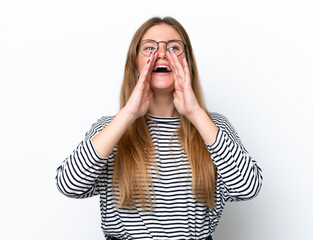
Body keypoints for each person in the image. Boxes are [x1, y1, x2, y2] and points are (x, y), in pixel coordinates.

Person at [56, 16, 263, 240]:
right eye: (149, 48)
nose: (162, 54)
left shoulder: (213, 126)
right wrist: (128, 114)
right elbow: (69, 185)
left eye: (174, 47)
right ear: (134, 64)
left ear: (188, 64)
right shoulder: (110, 128)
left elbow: (248, 188)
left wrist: (195, 113)